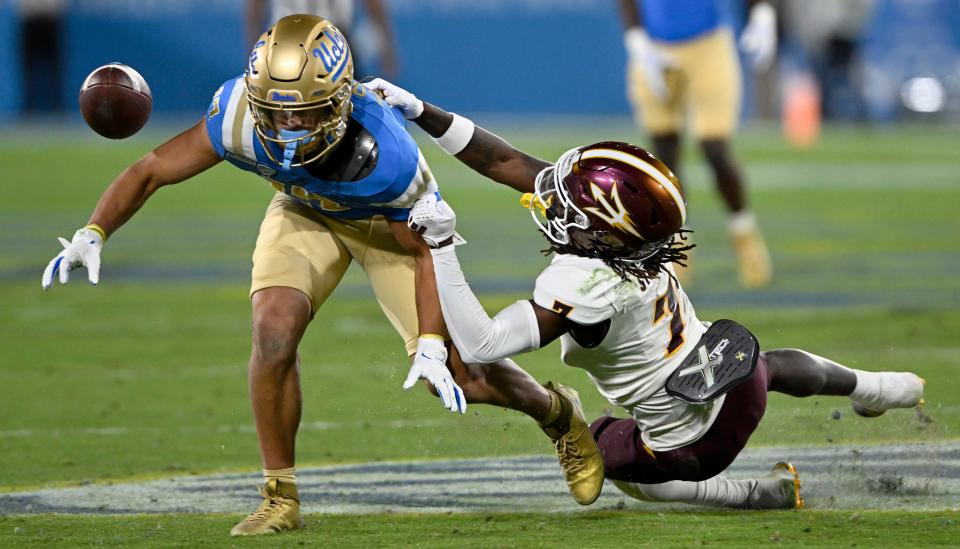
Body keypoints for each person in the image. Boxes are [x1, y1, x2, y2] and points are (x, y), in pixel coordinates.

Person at [40, 15, 601, 536]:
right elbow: (153, 168)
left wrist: (430, 343)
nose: (288, 124)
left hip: (392, 233)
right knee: (273, 332)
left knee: (464, 374)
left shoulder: (386, 158)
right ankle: (279, 493)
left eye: (304, 111)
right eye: (277, 109)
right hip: (305, 209)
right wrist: (95, 230)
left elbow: (430, 248)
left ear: (339, 102)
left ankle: (556, 412)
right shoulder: (236, 112)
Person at [365, 78, 926, 509]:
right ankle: (882, 387)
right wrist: (421, 112)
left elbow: (484, 345)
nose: (556, 199)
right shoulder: (638, 242)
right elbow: (511, 163)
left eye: (572, 201)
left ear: (601, 230)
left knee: (602, 453)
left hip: (689, 447)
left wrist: (440, 246)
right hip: (738, 379)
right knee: (773, 365)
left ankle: (755, 493)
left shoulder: (582, 285)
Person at [618, 0, 776, 288]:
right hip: (654, 44)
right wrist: (637, 41)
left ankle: (744, 231)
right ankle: (675, 245)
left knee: (713, 145)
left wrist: (762, 10)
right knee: (664, 155)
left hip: (708, 42)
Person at [247, 0, 400, 78]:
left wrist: (255, 48)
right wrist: (386, 46)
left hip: (291, 40)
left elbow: (256, 7)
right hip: (329, 41)